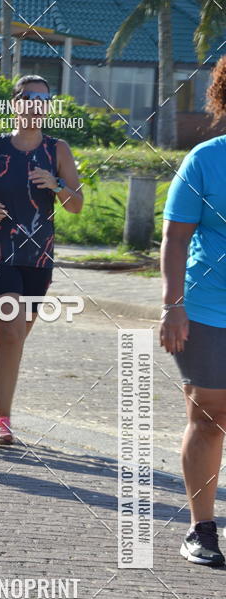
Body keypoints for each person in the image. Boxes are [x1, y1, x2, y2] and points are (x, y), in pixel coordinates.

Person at [0, 75, 82, 445]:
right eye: (29, 97)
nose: (36, 104)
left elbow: (76, 206)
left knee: (14, 339)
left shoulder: (57, 150)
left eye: (44, 99)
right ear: (15, 104)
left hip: (38, 257)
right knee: (10, 331)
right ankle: (2, 421)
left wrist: (56, 185)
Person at [160, 55, 226, 566]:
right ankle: (202, 530)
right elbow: (176, 239)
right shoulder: (206, 158)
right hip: (208, 308)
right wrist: (173, 306)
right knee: (209, 416)